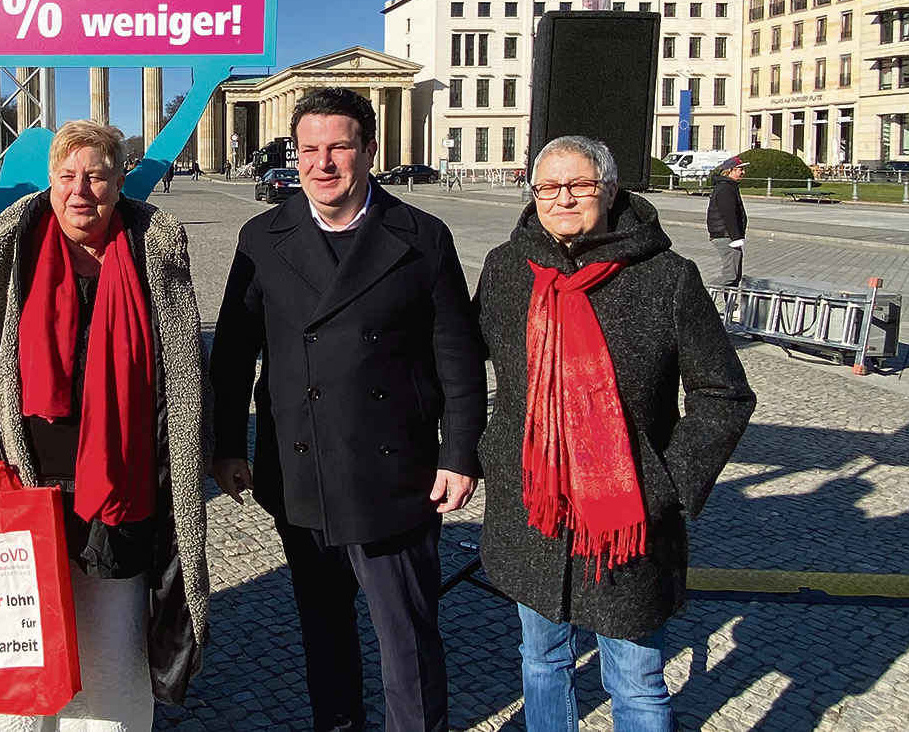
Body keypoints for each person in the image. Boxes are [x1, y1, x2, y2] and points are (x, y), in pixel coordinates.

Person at [210, 87, 487, 732]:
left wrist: (459, 453)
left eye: (338, 147)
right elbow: (233, 352)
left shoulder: (422, 236)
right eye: (308, 149)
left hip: (395, 470)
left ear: (369, 150)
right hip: (300, 466)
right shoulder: (262, 237)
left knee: (407, 638)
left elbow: (457, 356)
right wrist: (225, 445)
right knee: (324, 630)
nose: (322, 163)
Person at [0, 119, 211, 731]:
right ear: (50, 183)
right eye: (67, 176)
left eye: (97, 176)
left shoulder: (154, 256)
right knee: (10, 689)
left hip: (121, 500)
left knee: (110, 678)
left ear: (120, 182)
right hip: (17, 496)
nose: (81, 190)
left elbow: (187, 380)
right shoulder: (7, 258)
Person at [473, 135, 755, 732]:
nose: (563, 199)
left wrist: (667, 484)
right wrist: (489, 452)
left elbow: (723, 394)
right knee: (542, 661)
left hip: (627, 516)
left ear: (609, 189)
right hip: (535, 511)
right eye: (549, 187)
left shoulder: (666, 277)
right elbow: (464, 364)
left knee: (636, 680)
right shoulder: (506, 268)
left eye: (579, 185)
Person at [707, 157, 747, 286]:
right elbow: (728, 215)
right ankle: (705, 292)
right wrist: (735, 237)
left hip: (727, 235)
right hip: (726, 236)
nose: (744, 172)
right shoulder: (726, 189)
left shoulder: (728, 186)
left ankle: (729, 299)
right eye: (741, 169)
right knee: (730, 276)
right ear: (730, 171)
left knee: (735, 276)